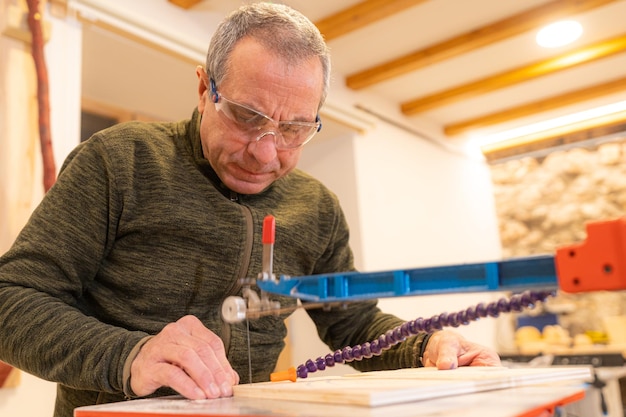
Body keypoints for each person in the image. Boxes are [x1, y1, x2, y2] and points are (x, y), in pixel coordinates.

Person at [0, 3, 500, 417]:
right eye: (246, 116)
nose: (266, 152)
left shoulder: (317, 208)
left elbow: (353, 325)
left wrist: (424, 347)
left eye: (295, 129)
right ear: (203, 90)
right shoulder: (119, 161)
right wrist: (129, 356)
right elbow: (11, 301)